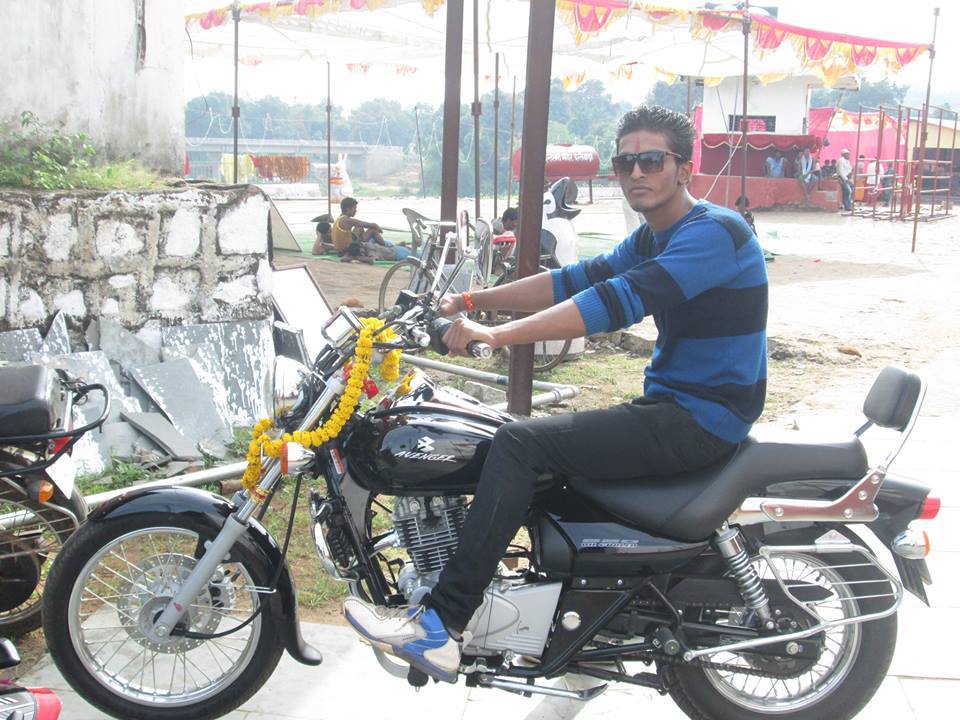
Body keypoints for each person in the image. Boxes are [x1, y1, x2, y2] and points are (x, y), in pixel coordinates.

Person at [343, 105, 768, 683]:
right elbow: (573, 279)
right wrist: (470, 301)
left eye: (651, 160)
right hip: (673, 407)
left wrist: (495, 336)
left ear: (684, 169)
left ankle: (442, 624)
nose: (635, 172)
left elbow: (614, 301)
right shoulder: (653, 236)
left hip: (701, 418)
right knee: (508, 438)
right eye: (624, 161)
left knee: (520, 444)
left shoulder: (715, 233)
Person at [332, 197, 411, 262]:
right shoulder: (347, 220)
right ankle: (389, 247)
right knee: (372, 229)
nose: (356, 210)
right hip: (348, 249)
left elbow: (359, 225)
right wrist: (377, 227)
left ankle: (385, 245)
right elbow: (369, 224)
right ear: (348, 209)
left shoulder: (339, 218)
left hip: (340, 248)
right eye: (354, 208)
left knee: (359, 227)